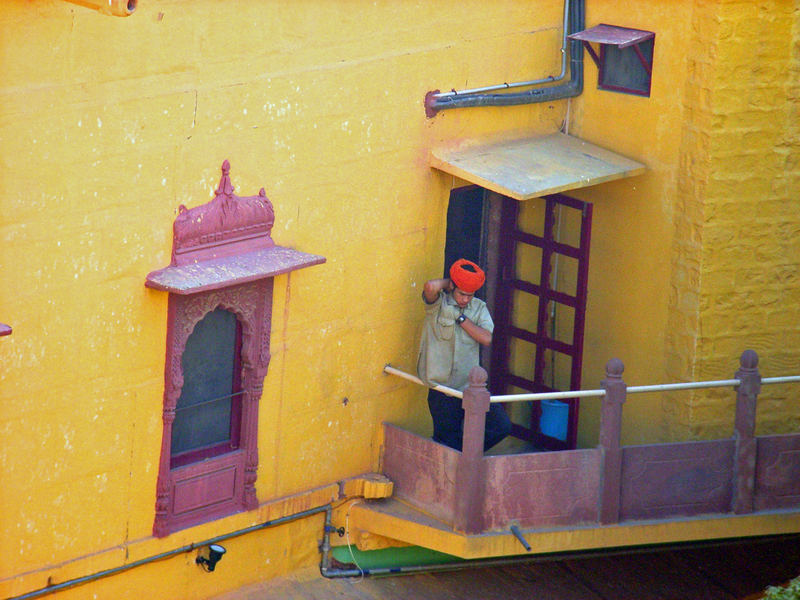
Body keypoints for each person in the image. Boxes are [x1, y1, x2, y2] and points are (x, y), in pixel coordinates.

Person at [416, 258, 511, 451]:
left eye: (470, 295)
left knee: (501, 426)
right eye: (461, 293)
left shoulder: (479, 308)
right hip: (442, 389)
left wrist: (461, 318)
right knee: (447, 442)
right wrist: (447, 283)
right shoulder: (439, 303)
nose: (465, 299)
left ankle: (465, 454)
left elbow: (486, 338)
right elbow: (430, 287)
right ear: (453, 287)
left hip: (468, 388)